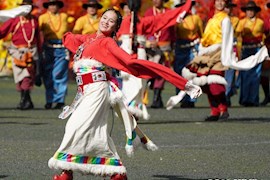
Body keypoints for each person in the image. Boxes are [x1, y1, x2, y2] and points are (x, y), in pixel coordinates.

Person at [48, 8, 202, 180]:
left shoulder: (108, 43)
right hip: (85, 92)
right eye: (104, 17)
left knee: (76, 127)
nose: (106, 21)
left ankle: (67, 172)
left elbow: (129, 61)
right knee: (85, 129)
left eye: (111, 21)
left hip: (97, 92)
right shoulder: (88, 38)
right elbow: (70, 39)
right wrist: (65, 35)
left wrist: (183, 84)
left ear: (115, 27)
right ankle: (113, 172)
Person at [177, 0, 268, 121]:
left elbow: (228, 39)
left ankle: (223, 110)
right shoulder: (211, 19)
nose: (220, 3)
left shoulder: (226, 20)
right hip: (207, 53)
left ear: (225, 4)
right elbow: (205, 36)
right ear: (214, 3)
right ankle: (214, 111)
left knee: (215, 83)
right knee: (205, 83)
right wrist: (202, 51)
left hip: (220, 53)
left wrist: (227, 55)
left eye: (222, 1)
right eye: (217, 1)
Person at [117, 0, 193, 119]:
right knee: (137, 85)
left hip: (131, 57)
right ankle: (132, 110)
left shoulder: (124, 21)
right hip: (136, 57)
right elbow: (164, 19)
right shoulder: (140, 20)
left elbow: (166, 18)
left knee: (135, 85)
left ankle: (133, 111)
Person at [0, 0, 39, 110]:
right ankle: (26, 99)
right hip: (17, 52)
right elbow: (2, 32)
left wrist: (39, 53)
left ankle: (25, 100)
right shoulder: (15, 20)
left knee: (27, 76)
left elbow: (38, 37)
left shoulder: (34, 20)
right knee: (19, 78)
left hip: (31, 51)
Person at [38, 0, 70, 109]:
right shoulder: (42, 18)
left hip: (62, 48)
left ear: (58, 6)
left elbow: (69, 33)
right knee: (48, 74)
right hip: (48, 48)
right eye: (50, 4)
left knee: (60, 74)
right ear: (47, 6)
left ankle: (60, 100)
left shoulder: (64, 16)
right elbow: (36, 33)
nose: (52, 6)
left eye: (54, 4)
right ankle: (49, 100)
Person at [144, 0, 175, 109]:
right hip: (151, 47)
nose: (156, 1)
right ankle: (153, 96)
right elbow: (145, 28)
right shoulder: (148, 12)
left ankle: (156, 97)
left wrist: (172, 45)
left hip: (164, 47)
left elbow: (172, 31)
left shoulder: (169, 12)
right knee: (150, 73)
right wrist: (149, 40)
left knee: (161, 73)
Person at [173, 0, 203, 108]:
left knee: (191, 72)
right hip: (180, 48)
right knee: (179, 73)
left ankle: (191, 98)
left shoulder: (196, 18)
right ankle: (181, 97)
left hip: (192, 48)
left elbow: (201, 33)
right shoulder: (177, 19)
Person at [235, 1, 264, 107]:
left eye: (252, 10)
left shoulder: (260, 22)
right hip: (245, 50)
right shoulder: (241, 22)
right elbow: (237, 35)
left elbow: (264, 35)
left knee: (256, 75)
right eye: (248, 10)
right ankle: (245, 99)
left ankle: (253, 99)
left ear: (255, 11)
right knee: (245, 75)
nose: (250, 12)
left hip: (257, 50)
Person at [224, 0, 239, 106]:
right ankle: (223, 94)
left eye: (229, 7)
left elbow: (237, 36)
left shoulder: (236, 20)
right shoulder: (218, 19)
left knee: (230, 73)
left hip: (232, 48)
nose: (227, 9)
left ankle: (227, 94)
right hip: (221, 47)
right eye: (226, 7)